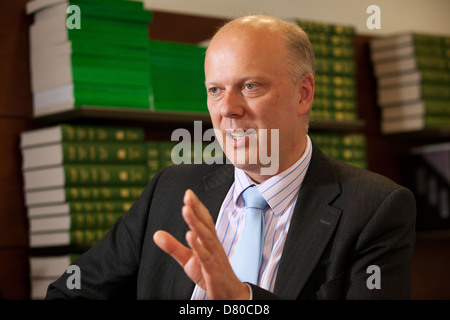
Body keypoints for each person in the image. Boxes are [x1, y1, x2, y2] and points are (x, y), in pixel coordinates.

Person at [46, 15, 416, 300]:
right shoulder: (171, 189)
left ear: (303, 93)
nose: (228, 109)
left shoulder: (374, 209)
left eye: (250, 86)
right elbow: (69, 293)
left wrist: (241, 299)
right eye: (215, 90)